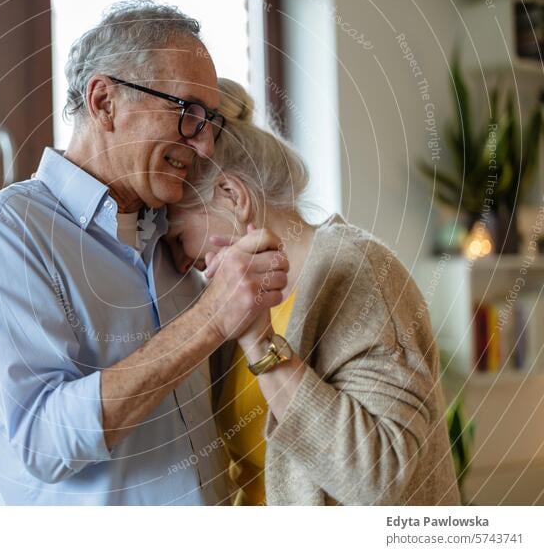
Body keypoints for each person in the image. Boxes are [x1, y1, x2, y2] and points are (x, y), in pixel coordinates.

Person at [0, 0, 288, 505]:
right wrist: (214, 316)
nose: (205, 146)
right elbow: (44, 441)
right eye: (187, 113)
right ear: (104, 102)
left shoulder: (177, 243)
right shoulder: (4, 235)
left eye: (210, 121)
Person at [165, 78, 461, 505]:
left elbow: (383, 480)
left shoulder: (361, 274)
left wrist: (259, 341)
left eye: (178, 238)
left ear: (232, 195)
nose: (178, 261)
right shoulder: (240, 294)